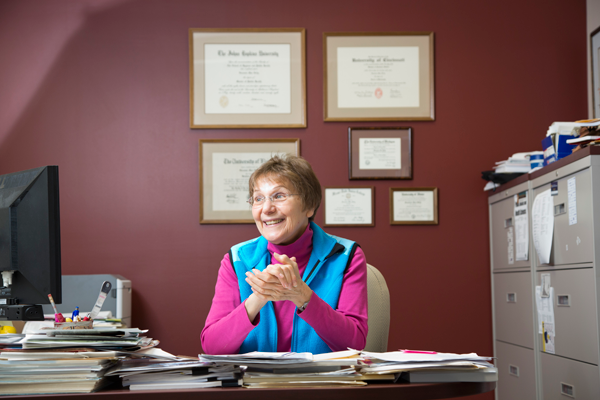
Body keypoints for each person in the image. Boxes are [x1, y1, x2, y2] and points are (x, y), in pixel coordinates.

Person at [201, 155, 368, 355]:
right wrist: (259, 297)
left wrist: (302, 296)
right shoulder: (237, 259)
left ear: (309, 206)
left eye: (279, 196)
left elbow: (354, 343)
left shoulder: (346, 256)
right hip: (254, 383)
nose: (267, 209)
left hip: (321, 382)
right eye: (258, 198)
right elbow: (212, 346)